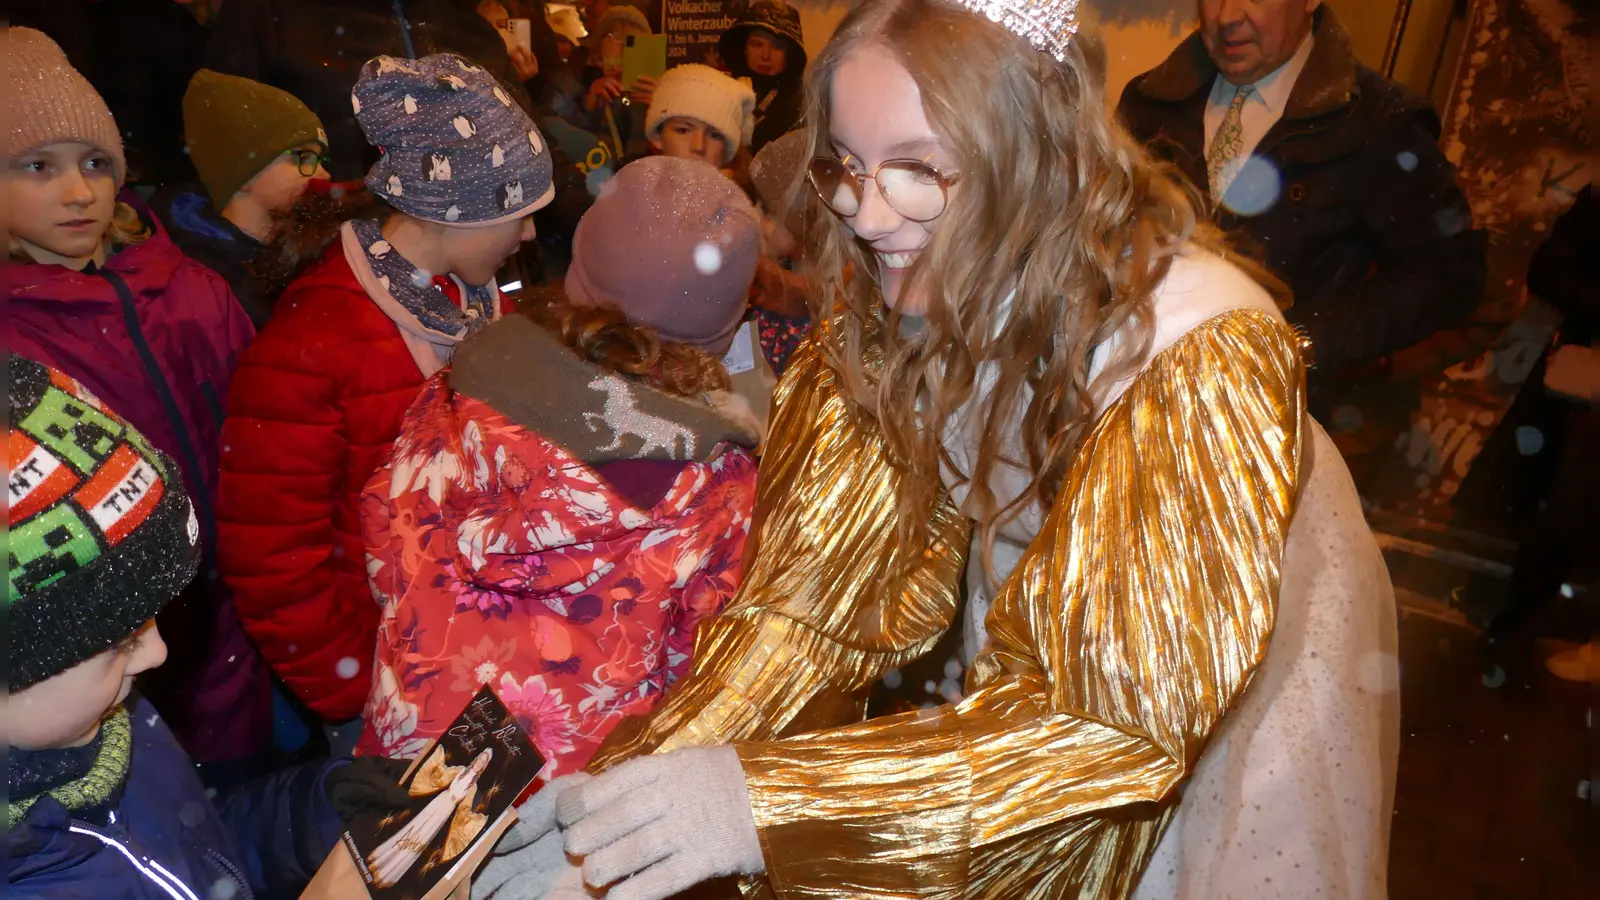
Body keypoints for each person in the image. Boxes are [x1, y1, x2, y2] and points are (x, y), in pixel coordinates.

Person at [485, 0, 1402, 897]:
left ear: (1037, 159)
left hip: (1202, 622)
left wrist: (767, 804)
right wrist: (647, 790)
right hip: (1041, 614)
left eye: (920, 170)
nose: (870, 216)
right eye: (848, 167)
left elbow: (1108, 720)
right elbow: (813, 603)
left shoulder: (1195, 354)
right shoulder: (897, 294)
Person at [359, 156, 762, 778]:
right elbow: (699, 665)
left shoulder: (460, 387)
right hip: (570, 808)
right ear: (724, 323)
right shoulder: (713, 486)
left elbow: (386, 536)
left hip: (416, 757)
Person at [217, 52, 555, 751]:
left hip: (469, 651)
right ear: (449, 210)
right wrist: (355, 688)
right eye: (519, 214)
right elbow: (272, 552)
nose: (529, 235)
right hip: (383, 678)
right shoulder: (314, 343)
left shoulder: (479, 303)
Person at [4, 353, 397, 900]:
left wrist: (318, 812)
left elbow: (195, 853)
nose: (156, 653)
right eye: (118, 641)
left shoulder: (111, 723)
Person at [5, 27, 272, 783]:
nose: (79, 191)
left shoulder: (189, 289)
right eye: (37, 167)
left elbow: (257, 440)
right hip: (97, 650)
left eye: (95, 163)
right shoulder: (10, 341)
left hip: (232, 612)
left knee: (247, 795)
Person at [1117, 1, 1487, 417]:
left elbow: (1449, 273)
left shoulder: (1379, 125)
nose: (1227, 17)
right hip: (1135, 393)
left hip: (1271, 416)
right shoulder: (1150, 102)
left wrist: (1301, 342)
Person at [151, 69, 332, 328]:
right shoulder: (202, 288)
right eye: (302, 157)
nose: (323, 174)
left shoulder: (302, 257)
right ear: (243, 173)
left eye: (321, 160)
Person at [716, 0, 806, 154]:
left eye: (777, 47)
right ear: (744, 49)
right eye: (756, 44)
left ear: (789, 53)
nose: (765, 56)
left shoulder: (803, 103)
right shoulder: (722, 92)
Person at [638, 64, 756, 170]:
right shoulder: (631, 192)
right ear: (658, 135)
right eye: (683, 130)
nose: (699, 146)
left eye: (715, 135)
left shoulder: (737, 194)